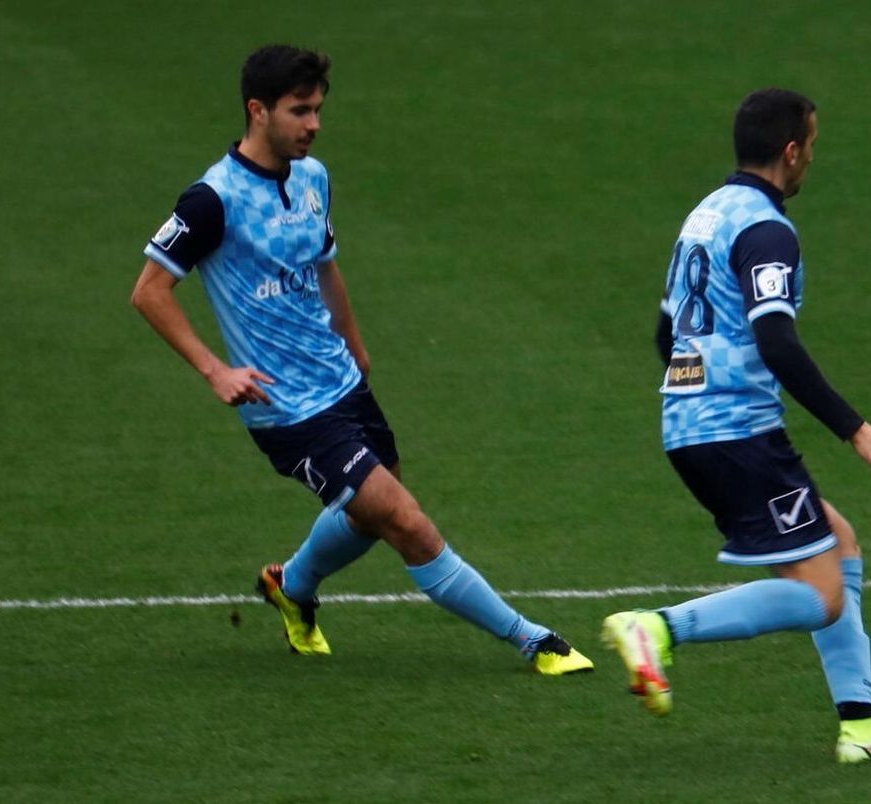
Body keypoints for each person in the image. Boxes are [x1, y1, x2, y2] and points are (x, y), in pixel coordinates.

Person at [130, 44, 592, 676]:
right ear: (257, 111)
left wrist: (354, 342)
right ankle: (533, 640)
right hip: (285, 408)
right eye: (299, 111)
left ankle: (290, 586)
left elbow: (324, 264)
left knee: (373, 511)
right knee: (406, 522)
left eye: (318, 109)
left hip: (341, 383)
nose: (313, 124)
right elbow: (149, 291)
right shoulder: (212, 200)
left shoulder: (313, 176)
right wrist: (216, 370)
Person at [601, 88, 871, 763]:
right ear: (791, 151)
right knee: (822, 596)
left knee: (839, 543)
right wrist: (857, 430)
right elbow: (777, 340)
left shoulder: (705, 215)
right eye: (811, 146)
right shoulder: (765, 230)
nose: (812, 158)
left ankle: (861, 725)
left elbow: (667, 332)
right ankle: (657, 628)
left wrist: (699, 392)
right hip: (736, 435)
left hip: (695, 424)